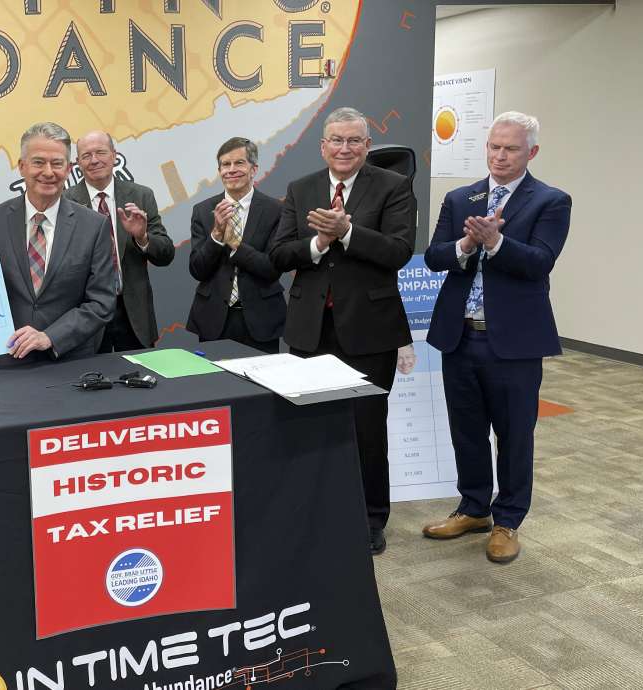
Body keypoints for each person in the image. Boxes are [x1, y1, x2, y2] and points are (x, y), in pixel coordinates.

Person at [421, 111, 570, 564]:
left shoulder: (550, 200)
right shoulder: (460, 197)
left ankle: (507, 520)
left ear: (532, 153)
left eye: (510, 149)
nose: (499, 156)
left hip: (514, 343)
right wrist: (466, 246)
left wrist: (496, 244)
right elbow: (433, 257)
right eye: (493, 147)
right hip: (460, 336)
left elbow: (539, 261)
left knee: (514, 434)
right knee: (466, 430)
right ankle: (473, 508)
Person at [271, 107, 415, 555]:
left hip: (370, 333)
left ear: (367, 146)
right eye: (336, 140)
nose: (345, 148)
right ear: (323, 145)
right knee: (310, 430)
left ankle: (372, 519)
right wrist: (318, 243)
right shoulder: (302, 188)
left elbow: (399, 251)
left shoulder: (393, 187)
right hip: (310, 331)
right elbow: (279, 253)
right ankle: (316, 510)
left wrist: (349, 231)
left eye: (354, 140)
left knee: (367, 431)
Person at [0, 122, 117, 362]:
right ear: (22, 166)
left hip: (68, 361)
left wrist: (50, 336)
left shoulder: (94, 226)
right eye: (38, 162)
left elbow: (101, 302)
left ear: (70, 168)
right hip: (6, 359)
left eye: (57, 163)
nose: (49, 172)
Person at [66, 130, 175, 352]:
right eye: (86, 155)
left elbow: (165, 255)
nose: (94, 160)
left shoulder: (141, 195)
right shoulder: (65, 202)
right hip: (87, 313)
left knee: (139, 379)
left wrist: (142, 237)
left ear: (114, 156)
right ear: (77, 163)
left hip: (132, 313)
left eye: (100, 152)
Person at [186, 137, 286, 354]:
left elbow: (272, 269)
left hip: (261, 319)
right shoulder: (203, 211)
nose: (231, 170)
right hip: (214, 320)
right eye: (225, 164)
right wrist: (216, 236)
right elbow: (197, 269)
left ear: (253, 169)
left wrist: (234, 245)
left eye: (239, 163)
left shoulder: (275, 210)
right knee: (217, 387)